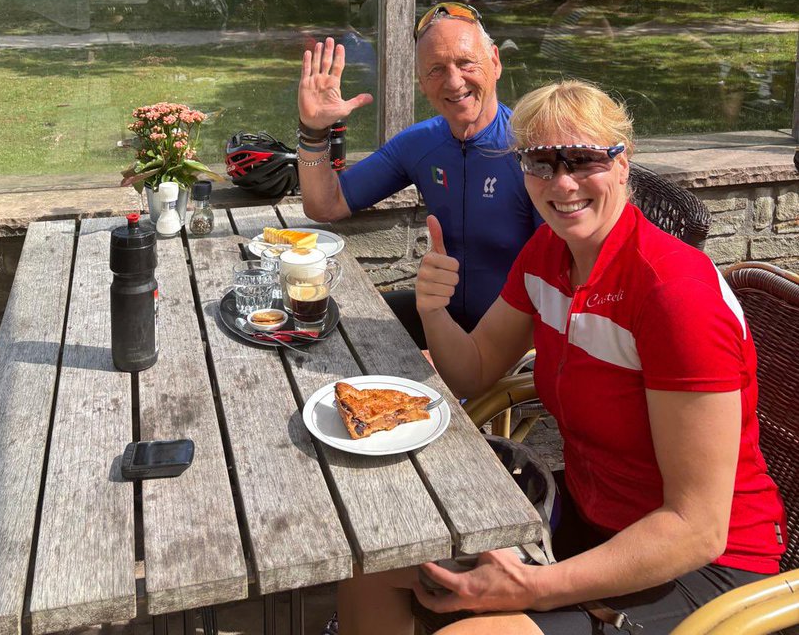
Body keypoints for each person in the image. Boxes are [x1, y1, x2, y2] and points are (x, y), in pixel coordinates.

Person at [337, 81, 787, 635]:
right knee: (376, 560)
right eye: (540, 162)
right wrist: (433, 310)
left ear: (624, 164)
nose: (563, 182)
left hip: (704, 571)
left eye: (584, 159)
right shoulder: (549, 253)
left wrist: (530, 589)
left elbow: (697, 528)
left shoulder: (675, 295)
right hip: (587, 519)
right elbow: (474, 369)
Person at [297, 2, 539, 341]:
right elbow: (326, 205)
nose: (454, 82)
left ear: (495, 62)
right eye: (436, 70)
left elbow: (569, 281)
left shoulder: (533, 153)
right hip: (443, 322)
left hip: (518, 348)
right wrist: (313, 133)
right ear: (422, 83)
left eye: (466, 63)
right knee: (319, 327)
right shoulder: (421, 143)